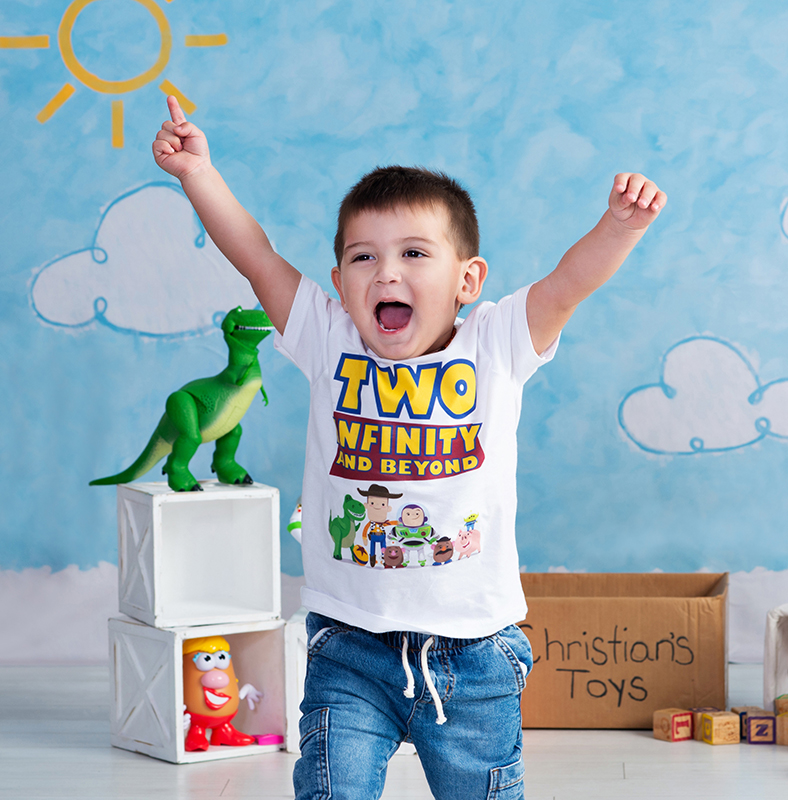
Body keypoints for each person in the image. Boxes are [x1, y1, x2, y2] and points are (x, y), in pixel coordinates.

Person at [153, 95, 666, 800]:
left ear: (468, 281)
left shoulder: (497, 343)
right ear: (339, 284)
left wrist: (619, 225)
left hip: (474, 653)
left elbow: (570, 282)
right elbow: (255, 254)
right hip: (350, 647)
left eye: (414, 254)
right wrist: (198, 175)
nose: (385, 273)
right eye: (363, 257)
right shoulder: (326, 337)